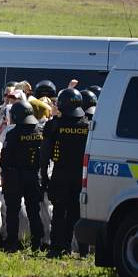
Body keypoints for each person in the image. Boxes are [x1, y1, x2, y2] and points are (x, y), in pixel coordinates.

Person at [40, 88, 90, 257]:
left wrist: (44, 174)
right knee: (77, 212)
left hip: (60, 173)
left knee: (59, 212)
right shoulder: (87, 125)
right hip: (80, 175)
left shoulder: (54, 124)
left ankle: (56, 248)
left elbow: (45, 153)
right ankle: (81, 250)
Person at [1, 100, 44, 252]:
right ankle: (37, 243)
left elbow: (4, 158)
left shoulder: (12, 134)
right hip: (33, 176)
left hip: (14, 177)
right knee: (34, 210)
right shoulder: (39, 132)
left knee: (13, 211)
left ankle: (12, 243)